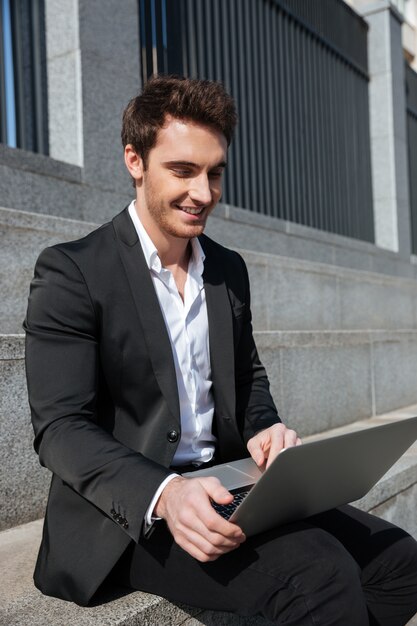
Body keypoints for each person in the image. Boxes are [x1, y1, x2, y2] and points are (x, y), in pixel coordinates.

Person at [25, 75, 417, 625]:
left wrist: (265, 429)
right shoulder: (73, 271)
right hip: (132, 511)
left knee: (399, 562)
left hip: (230, 482)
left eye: (214, 173)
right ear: (135, 161)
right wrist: (165, 493)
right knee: (321, 579)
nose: (204, 193)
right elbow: (60, 427)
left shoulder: (226, 269)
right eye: (183, 171)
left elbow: (248, 379)